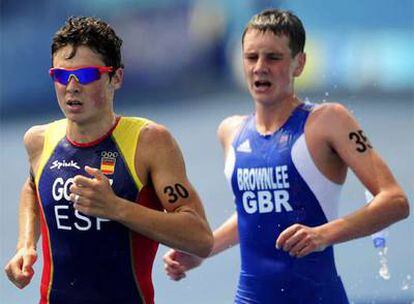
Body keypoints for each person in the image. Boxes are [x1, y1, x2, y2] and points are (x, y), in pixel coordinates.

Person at [163, 9, 410, 304]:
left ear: (299, 64)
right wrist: (205, 249)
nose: (260, 67)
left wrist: (323, 235)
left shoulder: (329, 121)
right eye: (251, 57)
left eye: (273, 58)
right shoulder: (230, 131)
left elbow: (395, 201)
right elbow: (252, 212)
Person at [4, 16, 213, 304]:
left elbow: (200, 238)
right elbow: (32, 185)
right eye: (62, 76)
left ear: (115, 77)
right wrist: (26, 244)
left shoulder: (149, 142)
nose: (72, 87)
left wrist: (116, 208)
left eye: (86, 75)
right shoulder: (39, 141)